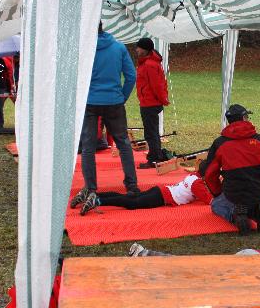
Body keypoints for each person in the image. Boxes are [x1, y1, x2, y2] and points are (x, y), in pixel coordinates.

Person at [70, 22, 139, 215]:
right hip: (114, 101)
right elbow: (131, 76)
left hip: (90, 102)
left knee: (88, 147)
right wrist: (122, 96)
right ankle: (132, 185)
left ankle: (91, 188)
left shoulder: (84, 50)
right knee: (123, 143)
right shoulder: (119, 47)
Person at [199, 104, 260, 235]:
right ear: (244, 118)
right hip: (259, 191)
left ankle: (235, 215)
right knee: (250, 202)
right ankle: (256, 212)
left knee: (216, 205)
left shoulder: (220, 143)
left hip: (233, 192)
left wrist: (217, 192)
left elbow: (210, 174)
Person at [128, 214, 260, 257]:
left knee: (199, 269)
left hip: (252, 253)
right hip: (257, 267)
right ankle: (147, 255)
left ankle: (147, 254)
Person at [79, 173, 212, 216]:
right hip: (162, 197)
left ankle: (95, 195)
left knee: (128, 197)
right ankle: (98, 201)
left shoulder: (193, 176)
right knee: (131, 204)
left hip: (160, 190)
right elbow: (209, 200)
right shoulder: (198, 184)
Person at [134, 37, 169, 168]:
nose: (137, 50)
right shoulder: (147, 63)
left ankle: (154, 159)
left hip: (150, 103)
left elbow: (157, 85)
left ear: (145, 49)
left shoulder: (149, 65)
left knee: (151, 132)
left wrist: (163, 100)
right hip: (148, 102)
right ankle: (156, 156)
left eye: (139, 48)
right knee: (151, 131)